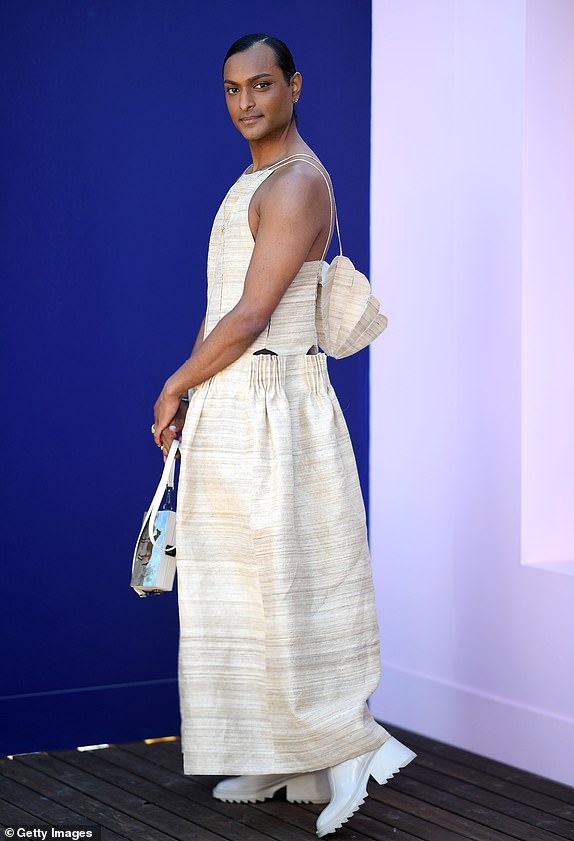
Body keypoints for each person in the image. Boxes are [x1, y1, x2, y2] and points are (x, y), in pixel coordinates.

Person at [152, 33, 416, 838]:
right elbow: (222, 304)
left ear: (294, 87)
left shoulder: (298, 183)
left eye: (261, 86)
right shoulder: (255, 179)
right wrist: (198, 392)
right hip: (236, 400)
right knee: (238, 587)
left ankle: (346, 757)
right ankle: (282, 751)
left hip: (279, 403)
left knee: (300, 583)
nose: (246, 103)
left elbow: (253, 314)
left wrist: (173, 381)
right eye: (232, 90)